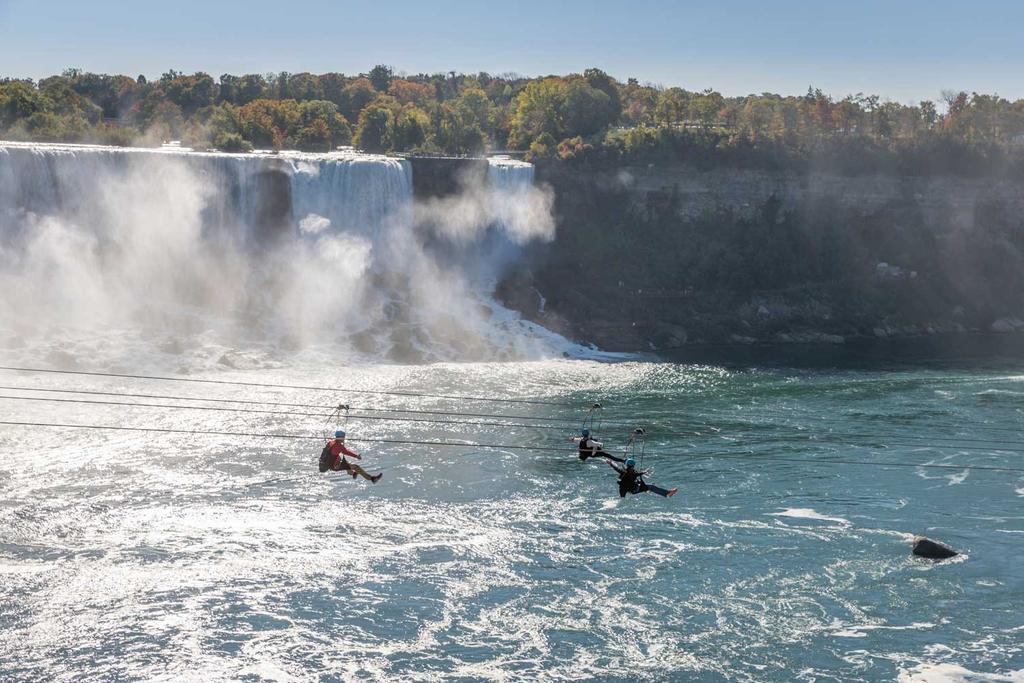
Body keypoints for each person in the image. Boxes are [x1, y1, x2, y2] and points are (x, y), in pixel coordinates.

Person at [606, 457, 677, 498]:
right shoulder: (634, 473)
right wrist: (645, 471)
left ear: (626, 465)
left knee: (646, 485)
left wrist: (611, 463)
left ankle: (647, 489)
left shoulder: (623, 471)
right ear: (633, 465)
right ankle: (667, 493)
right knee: (651, 486)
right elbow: (639, 474)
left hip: (625, 490)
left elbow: (616, 468)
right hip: (633, 490)